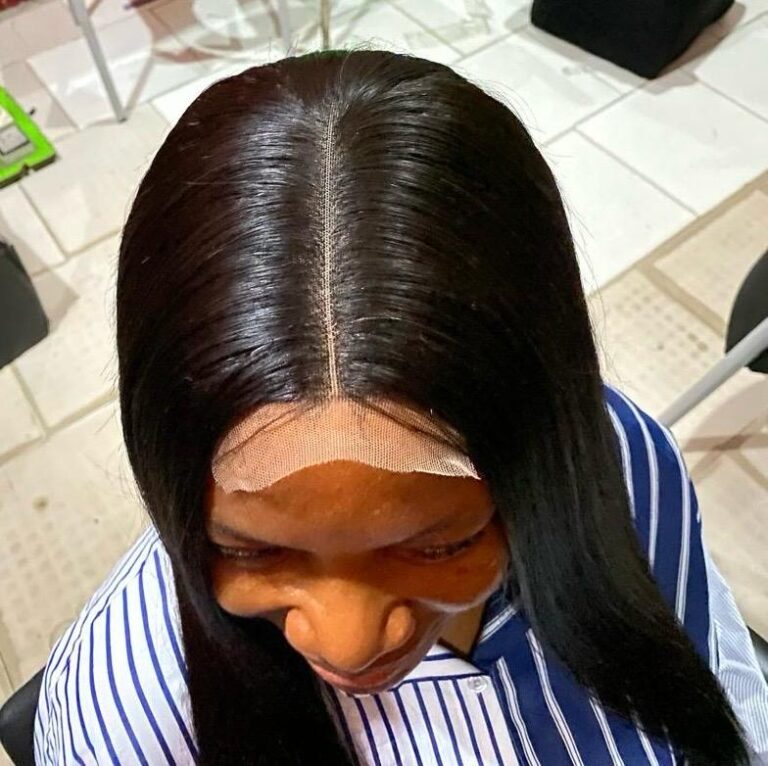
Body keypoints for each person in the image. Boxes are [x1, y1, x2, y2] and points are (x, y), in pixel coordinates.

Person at [33, 48, 768, 765]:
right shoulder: (125, 729)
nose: (349, 643)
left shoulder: (627, 463)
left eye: (439, 546)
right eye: (252, 551)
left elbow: (725, 685)